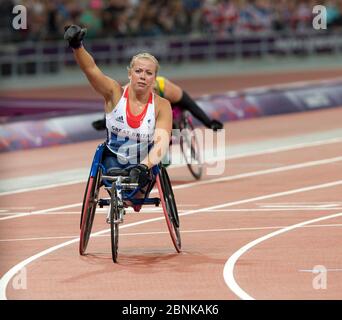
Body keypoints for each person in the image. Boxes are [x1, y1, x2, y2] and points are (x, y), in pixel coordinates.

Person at [64, 25, 172, 205]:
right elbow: (91, 69)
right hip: (113, 159)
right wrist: (77, 46)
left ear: (154, 78)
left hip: (144, 163)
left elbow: (162, 143)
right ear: (129, 74)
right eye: (138, 71)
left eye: (148, 73)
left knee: (136, 194)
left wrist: (144, 166)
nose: (143, 76)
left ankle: (133, 191)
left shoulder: (162, 105)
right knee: (118, 186)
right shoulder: (114, 93)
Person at [92, 76, 223, 131]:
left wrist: (209, 123)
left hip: (171, 105)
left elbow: (191, 105)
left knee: (168, 124)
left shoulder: (166, 88)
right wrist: (104, 122)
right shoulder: (129, 90)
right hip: (148, 110)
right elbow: (116, 106)